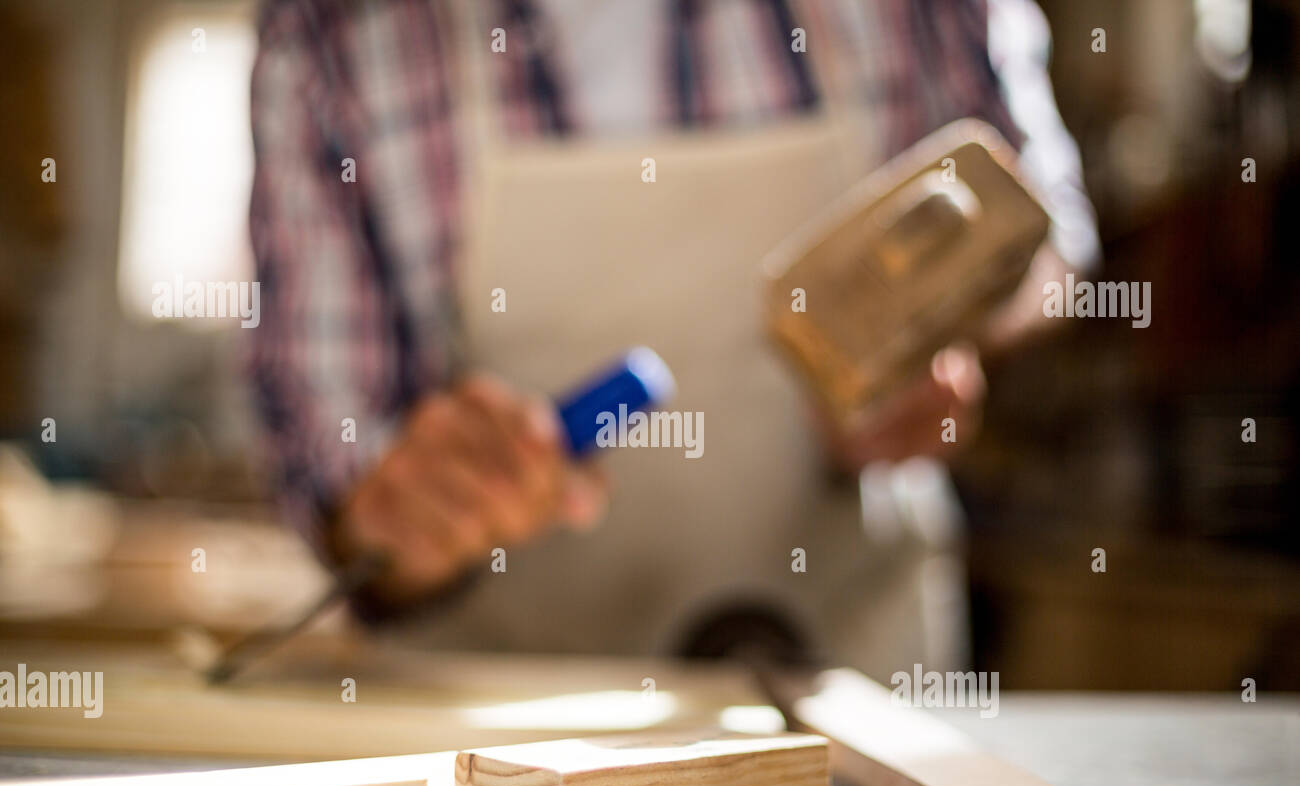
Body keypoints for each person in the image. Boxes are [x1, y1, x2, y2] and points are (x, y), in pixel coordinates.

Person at [247, 0, 1098, 675]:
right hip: (501, 734)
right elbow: (333, 471)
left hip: (849, 680)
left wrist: (947, 330)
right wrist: (399, 518)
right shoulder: (330, 32)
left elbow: (1047, 235)